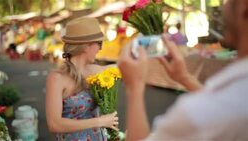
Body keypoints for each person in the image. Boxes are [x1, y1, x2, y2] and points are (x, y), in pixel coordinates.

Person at [118, 0, 248, 140]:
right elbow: (223, 109)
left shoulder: (192, 114)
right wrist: (184, 77)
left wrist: (134, 88)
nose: (223, 6)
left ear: (244, 7)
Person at [46, 17, 118, 141]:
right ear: (86, 46)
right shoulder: (56, 78)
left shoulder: (94, 70)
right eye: (99, 43)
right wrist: (100, 121)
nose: (100, 49)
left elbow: (123, 67)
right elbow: (54, 124)